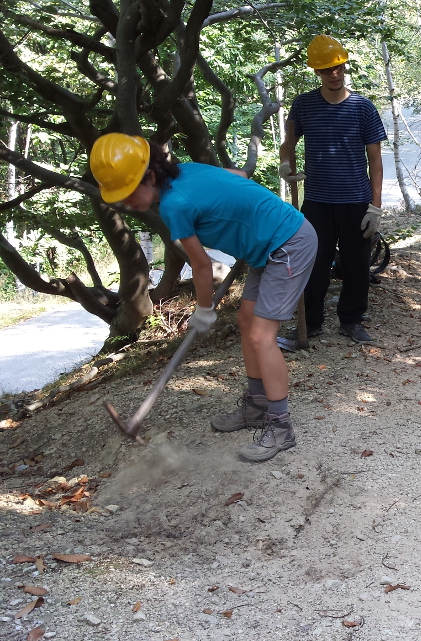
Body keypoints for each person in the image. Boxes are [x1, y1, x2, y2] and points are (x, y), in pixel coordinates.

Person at [89, 133, 316, 462]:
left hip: (288, 244)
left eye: (127, 192)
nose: (125, 203)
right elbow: (238, 176)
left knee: (261, 335)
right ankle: (257, 405)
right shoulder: (188, 171)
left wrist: (205, 309)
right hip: (265, 248)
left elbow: (201, 266)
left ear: (150, 176)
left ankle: (281, 427)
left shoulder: (174, 206)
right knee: (246, 320)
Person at [280, 34, 386, 344]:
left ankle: (351, 320)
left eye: (339, 67)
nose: (334, 74)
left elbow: (376, 162)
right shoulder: (303, 105)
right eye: (327, 69)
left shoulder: (363, 108)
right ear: (317, 71)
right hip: (317, 201)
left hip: (356, 200)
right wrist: (286, 164)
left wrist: (375, 206)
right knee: (312, 263)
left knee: (356, 265)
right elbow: (289, 143)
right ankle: (309, 322)